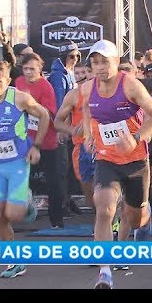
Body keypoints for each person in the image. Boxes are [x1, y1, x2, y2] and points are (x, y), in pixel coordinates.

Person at [81, 40, 152, 289]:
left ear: (116, 62)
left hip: (136, 160)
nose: (100, 67)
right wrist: (88, 135)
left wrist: (137, 137)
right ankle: (105, 271)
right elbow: (87, 109)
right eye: (95, 62)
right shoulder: (88, 88)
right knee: (104, 208)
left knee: (135, 216)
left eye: (105, 62)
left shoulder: (130, 85)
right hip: (107, 158)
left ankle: (145, 217)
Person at [0, 60, 50, 278]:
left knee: (13, 215)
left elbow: (44, 115)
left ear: (8, 81)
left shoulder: (20, 98)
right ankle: (15, 261)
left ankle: (27, 200)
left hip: (17, 164)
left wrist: (36, 146)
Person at [15, 53, 63, 229]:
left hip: (47, 142)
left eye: (32, 69)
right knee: (20, 179)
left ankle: (56, 220)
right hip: (25, 141)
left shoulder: (46, 86)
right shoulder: (19, 82)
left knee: (53, 182)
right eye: (26, 69)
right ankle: (22, 214)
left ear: (40, 69)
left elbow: (50, 114)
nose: (28, 72)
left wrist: (31, 107)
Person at [53, 61, 96, 210]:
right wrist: (70, 130)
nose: (82, 76)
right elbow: (58, 121)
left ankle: (111, 219)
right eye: (77, 73)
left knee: (107, 185)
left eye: (85, 72)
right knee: (86, 183)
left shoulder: (107, 91)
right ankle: (98, 214)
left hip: (104, 145)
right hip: (81, 145)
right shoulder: (72, 95)